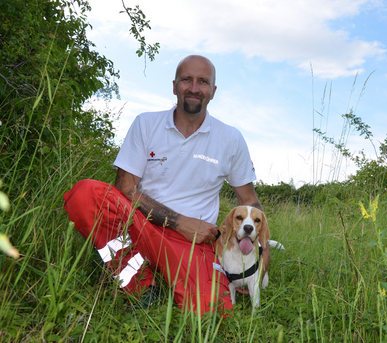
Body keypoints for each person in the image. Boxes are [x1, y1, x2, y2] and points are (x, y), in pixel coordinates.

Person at [63, 55, 270, 314]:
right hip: (141, 226)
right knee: (84, 194)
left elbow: (248, 200)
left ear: (213, 91)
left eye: (203, 81)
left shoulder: (230, 138)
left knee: (213, 310)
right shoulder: (147, 123)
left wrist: (261, 253)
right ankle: (143, 285)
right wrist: (180, 222)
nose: (194, 88)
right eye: (187, 80)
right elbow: (125, 188)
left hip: (195, 243)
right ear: (174, 86)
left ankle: (175, 274)